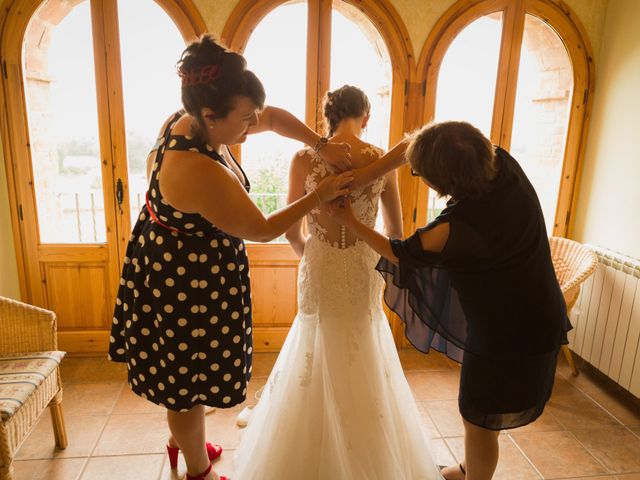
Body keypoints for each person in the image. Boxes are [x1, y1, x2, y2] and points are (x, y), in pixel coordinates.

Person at [108, 35, 353, 480]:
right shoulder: (195, 168)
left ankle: (188, 440)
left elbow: (273, 118)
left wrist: (321, 144)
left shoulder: (188, 122)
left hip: (189, 265)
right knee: (184, 385)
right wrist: (318, 194)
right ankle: (196, 471)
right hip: (183, 282)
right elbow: (260, 229)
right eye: (244, 120)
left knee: (191, 372)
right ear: (210, 115)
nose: (251, 127)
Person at [331, 120, 570, 480]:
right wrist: (368, 174)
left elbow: (401, 253)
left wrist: (351, 221)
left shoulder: (458, 226)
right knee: (483, 412)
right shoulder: (501, 164)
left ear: (446, 181)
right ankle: (467, 467)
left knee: (478, 415)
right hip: (541, 312)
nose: (416, 175)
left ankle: (474, 476)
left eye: (421, 173)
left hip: (506, 334)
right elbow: (439, 140)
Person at [233, 85, 442, 480]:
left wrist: (313, 255)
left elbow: (292, 230)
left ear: (327, 118)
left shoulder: (302, 158)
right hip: (364, 267)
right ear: (366, 117)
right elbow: (396, 232)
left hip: (319, 266)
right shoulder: (379, 160)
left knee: (314, 345)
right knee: (363, 347)